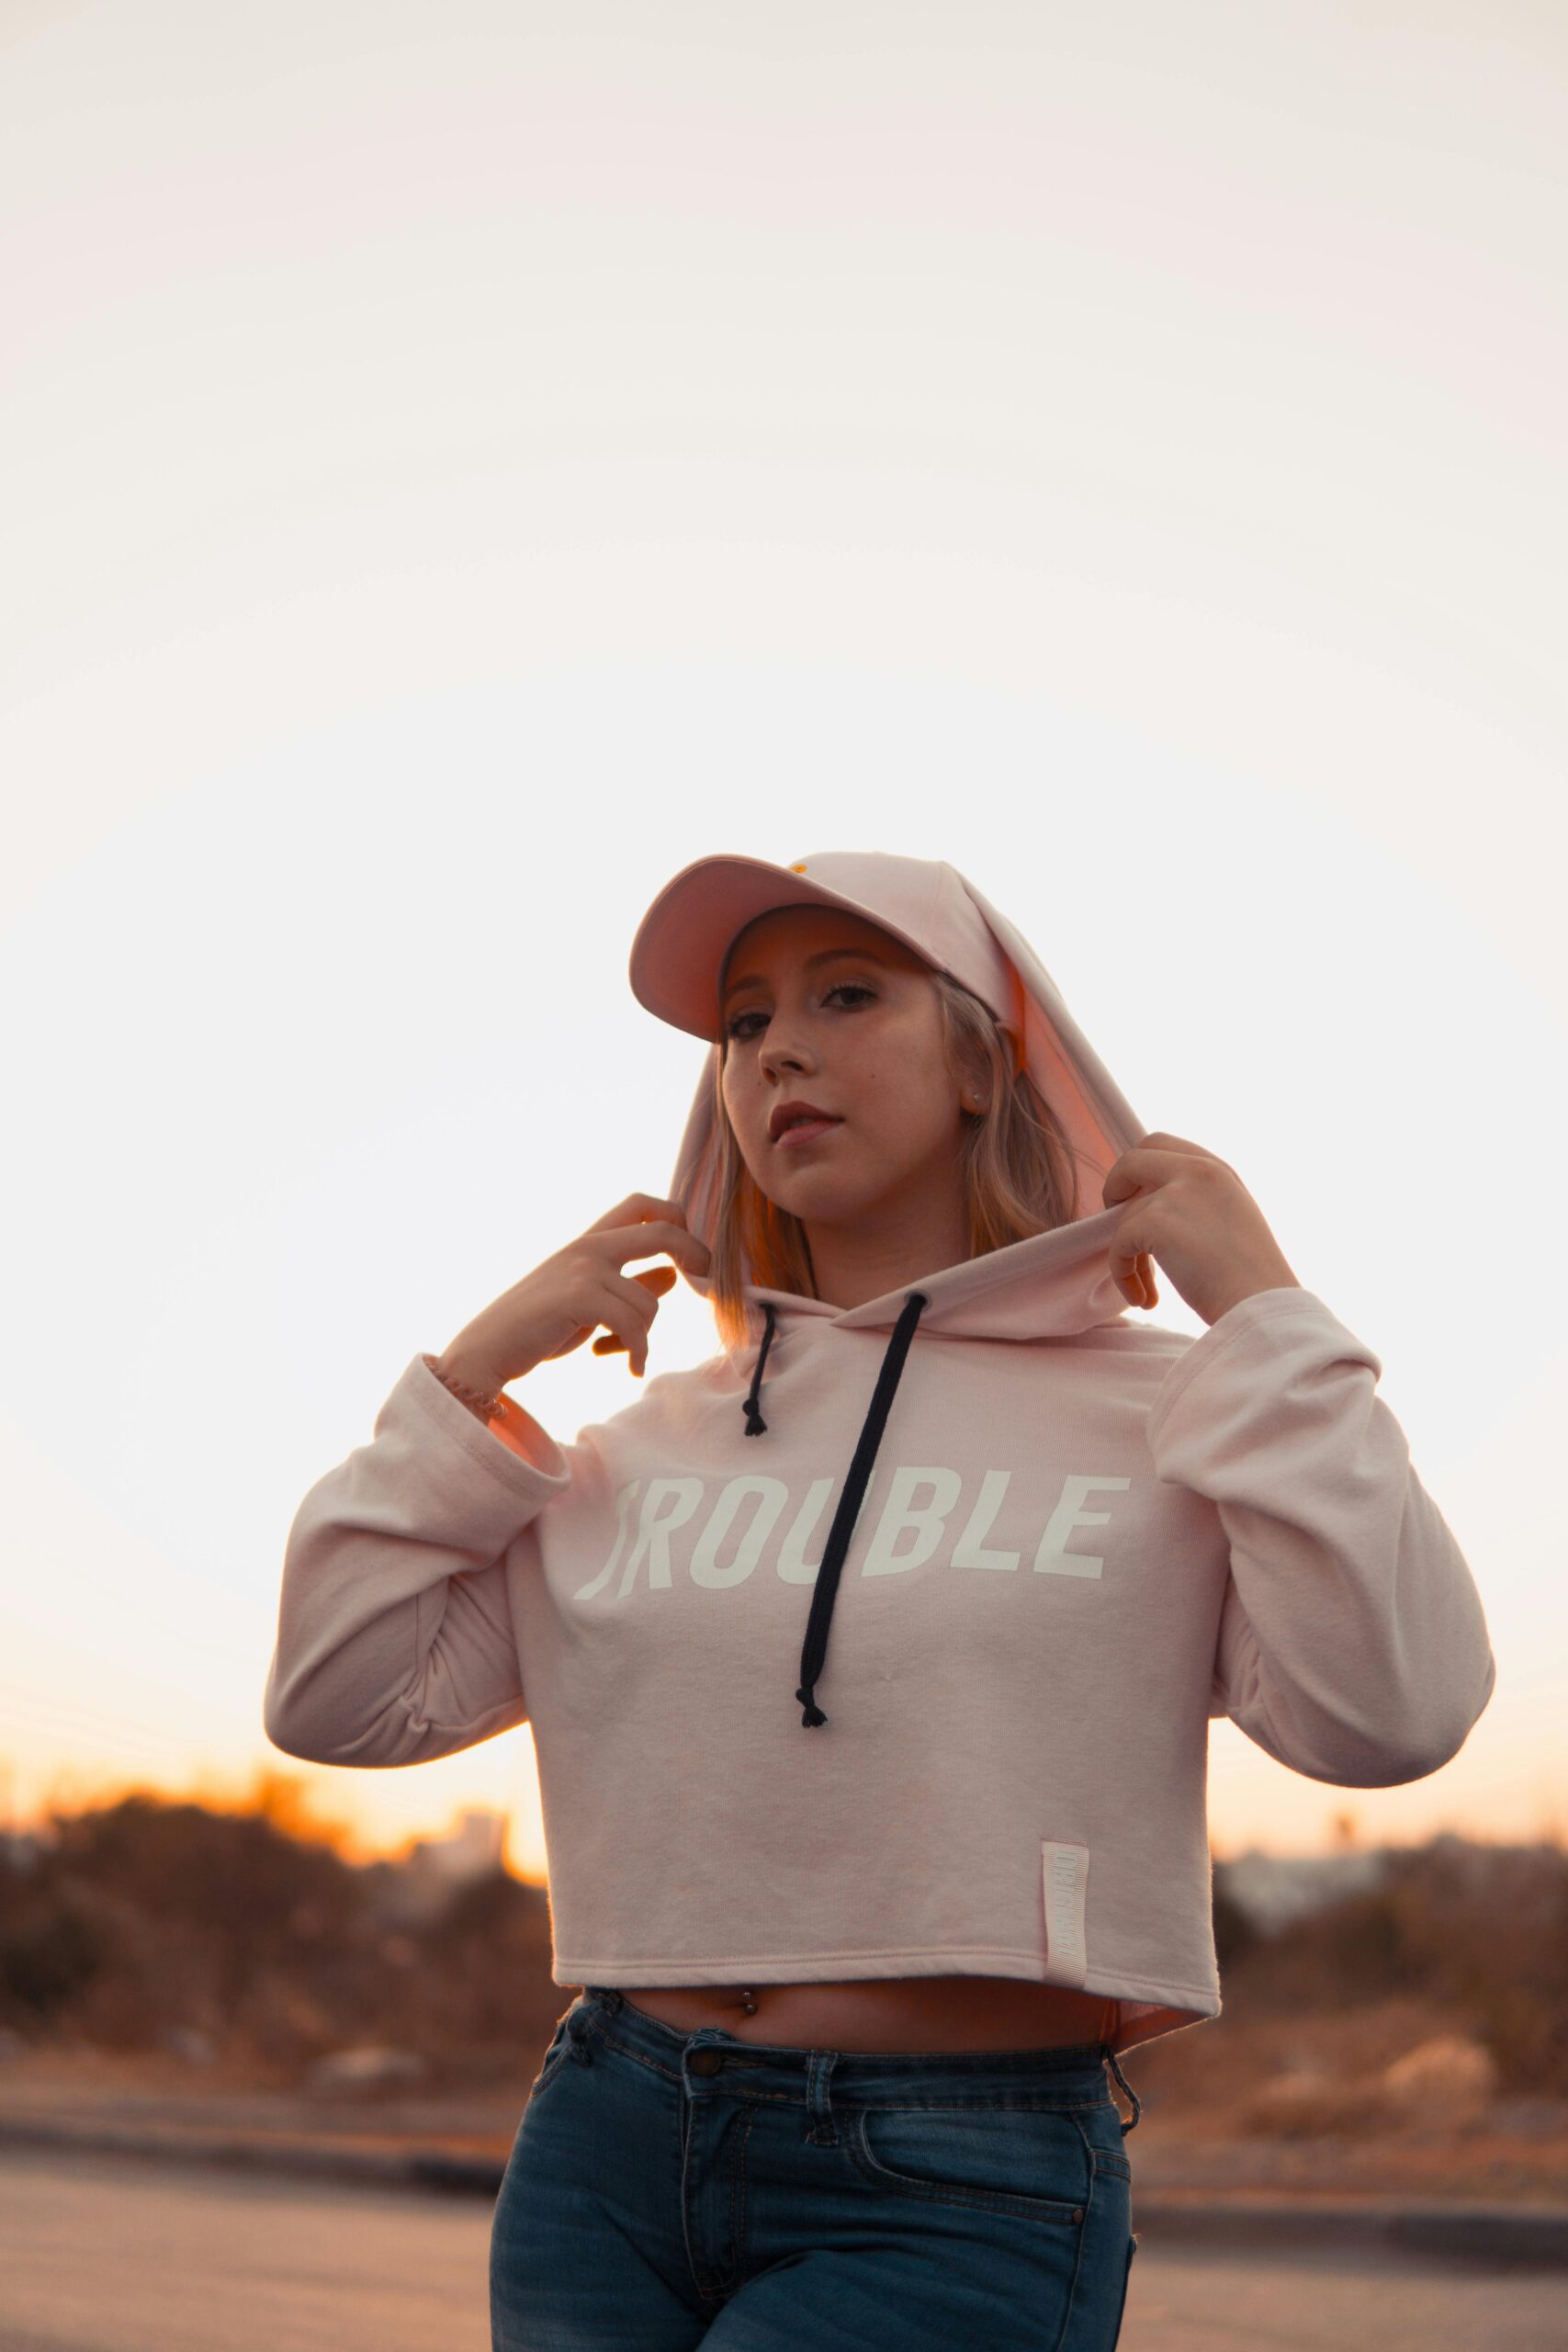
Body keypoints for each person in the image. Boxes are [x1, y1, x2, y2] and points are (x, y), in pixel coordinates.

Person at [264, 849, 1496, 2351]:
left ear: (984, 1061)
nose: (779, 1047)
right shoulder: (632, 1448)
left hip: (957, 2178)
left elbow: (1396, 1715)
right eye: (743, 1022)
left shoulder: (1183, 1409)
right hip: (607, 2140)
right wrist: (468, 1383)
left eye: (850, 995)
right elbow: (336, 1697)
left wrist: (1273, 1323)